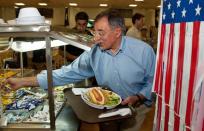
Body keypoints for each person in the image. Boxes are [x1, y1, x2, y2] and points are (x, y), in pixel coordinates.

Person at [4, 9, 156, 131]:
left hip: (136, 107)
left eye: (100, 33)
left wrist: (138, 97)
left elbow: (154, 82)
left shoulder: (144, 51)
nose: (95, 38)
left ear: (117, 32)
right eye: (94, 32)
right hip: (106, 108)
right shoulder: (94, 52)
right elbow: (66, 73)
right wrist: (23, 81)